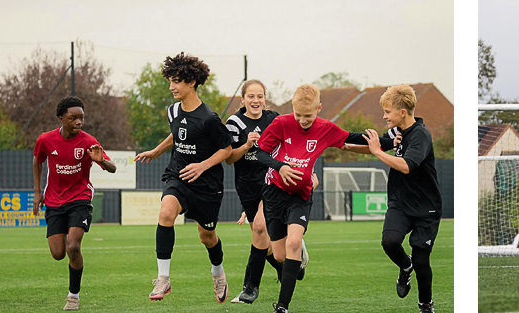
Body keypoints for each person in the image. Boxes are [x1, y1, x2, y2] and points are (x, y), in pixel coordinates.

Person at [255, 84, 383, 313]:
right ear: (292, 108)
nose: (303, 120)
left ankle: (282, 307)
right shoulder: (281, 123)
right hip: (274, 193)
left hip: (300, 196)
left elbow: (354, 138)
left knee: (293, 243)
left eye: (308, 116)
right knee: (281, 255)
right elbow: (260, 153)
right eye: (298, 115)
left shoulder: (325, 128)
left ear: (319, 109)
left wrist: (390, 140)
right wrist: (280, 166)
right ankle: (299, 258)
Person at [134, 52, 233, 301]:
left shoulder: (209, 118)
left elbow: (227, 149)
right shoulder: (173, 111)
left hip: (206, 184)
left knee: (207, 237)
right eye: (170, 80)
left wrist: (202, 166)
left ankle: (218, 272)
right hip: (178, 175)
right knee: (166, 213)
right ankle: (163, 279)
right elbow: (177, 133)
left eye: (176, 81)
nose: (171, 86)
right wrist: (156, 151)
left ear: (192, 82)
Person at [357, 84, 442, 313]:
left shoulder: (421, 134)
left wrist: (377, 152)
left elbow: (406, 166)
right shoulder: (396, 132)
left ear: (402, 112)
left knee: (422, 261)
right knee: (390, 242)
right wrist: (344, 146)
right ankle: (406, 266)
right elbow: (373, 144)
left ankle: (425, 305)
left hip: (426, 208)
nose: (384, 116)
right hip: (400, 204)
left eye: (388, 112)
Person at [32, 96, 116, 310]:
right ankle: (64, 240)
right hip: (54, 200)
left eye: (81, 118)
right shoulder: (46, 140)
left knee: (73, 247)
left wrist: (101, 161)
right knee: (58, 253)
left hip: (80, 198)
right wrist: (37, 192)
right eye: (73, 118)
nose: (79, 122)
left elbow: (113, 167)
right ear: (61, 118)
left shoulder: (89, 141)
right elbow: (37, 160)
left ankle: (73, 296)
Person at [223, 79, 297, 304]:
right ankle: (287, 266)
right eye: (251, 96)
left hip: (272, 181)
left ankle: (250, 287)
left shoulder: (274, 119)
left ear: (265, 98)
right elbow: (229, 159)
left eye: (260, 96)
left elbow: (290, 145)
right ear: (243, 99)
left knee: (259, 227)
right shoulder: (234, 122)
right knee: (264, 241)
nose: (256, 100)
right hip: (247, 187)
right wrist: (246, 145)